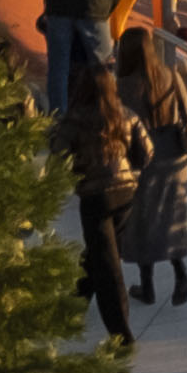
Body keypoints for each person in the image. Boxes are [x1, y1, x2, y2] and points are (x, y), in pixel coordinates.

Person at [59, 50, 146, 348]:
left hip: (94, 196)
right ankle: (76, 302)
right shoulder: (126, 115)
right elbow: (145, 154)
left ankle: (122, 337)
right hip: (125, 194)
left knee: (107, 265)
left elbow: (56, 148)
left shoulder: (75, 119)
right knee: (103, 254)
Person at [119, 20, 187, 310]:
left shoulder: (124, 87)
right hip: (175, 156)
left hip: (144, 159)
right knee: (170, 219)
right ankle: (181, 275)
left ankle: (148, 286)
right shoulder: (168, 75)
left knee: (143, 222)